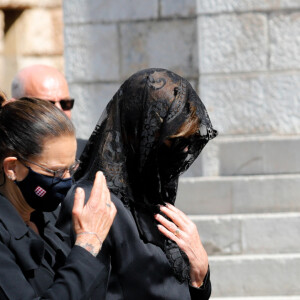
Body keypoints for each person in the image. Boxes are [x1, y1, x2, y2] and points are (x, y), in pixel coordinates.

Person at [57, 68, 217, 299]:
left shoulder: (150, 195)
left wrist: (200, 274)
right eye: (174, 140)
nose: (183, 150)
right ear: (138, 133)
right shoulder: (93, 203)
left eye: (189, 141)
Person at [0, 97, 116, 299]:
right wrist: (87, 245)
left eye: (71, 168)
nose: (67, 180)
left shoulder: (45, 217)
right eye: (55, 172)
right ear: (12, 168)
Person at [11, 65, 87, 161]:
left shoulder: (90, 154)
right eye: (48, 105)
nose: (59, 111)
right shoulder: (6, 154)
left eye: (65, 103)